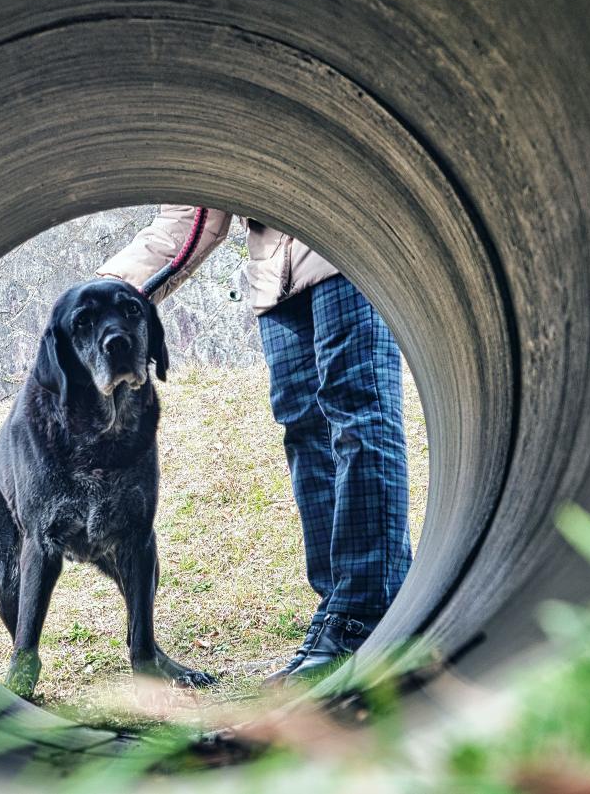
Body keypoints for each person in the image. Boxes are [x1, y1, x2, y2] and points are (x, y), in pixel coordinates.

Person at [97, 205, 412, 685]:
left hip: (347, 243)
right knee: (306, 435)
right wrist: (108, 294)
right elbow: (192, 214)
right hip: (274, 278)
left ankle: (366, 610)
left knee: (356, 415)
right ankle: (337, 611)